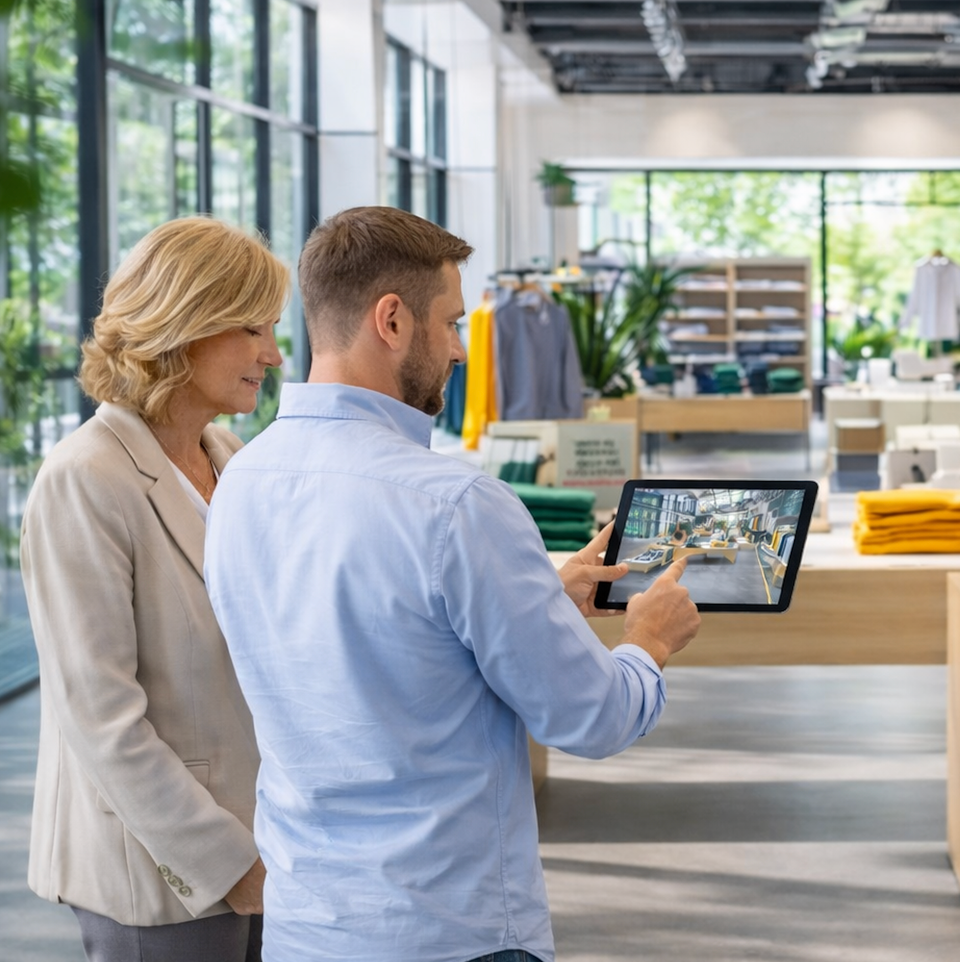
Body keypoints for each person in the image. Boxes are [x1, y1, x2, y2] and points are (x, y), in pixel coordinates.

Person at [204, 206, 701, 962]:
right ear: (393, 321)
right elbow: (591, 718)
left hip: (309, 925)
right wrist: (647, 642)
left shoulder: (240, 480)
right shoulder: (457, 505)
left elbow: (366, 646)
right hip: (449, 933)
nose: (464, 350)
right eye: (452, 324)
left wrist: (534, 594)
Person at [20, 217, 289, 961]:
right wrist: (226, 861)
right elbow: (100, 716)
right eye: (250, 328)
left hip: (264, 838)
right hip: (159, 867)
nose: (271, 353)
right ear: (182, 324)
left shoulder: (228, 454)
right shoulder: (86, 477)